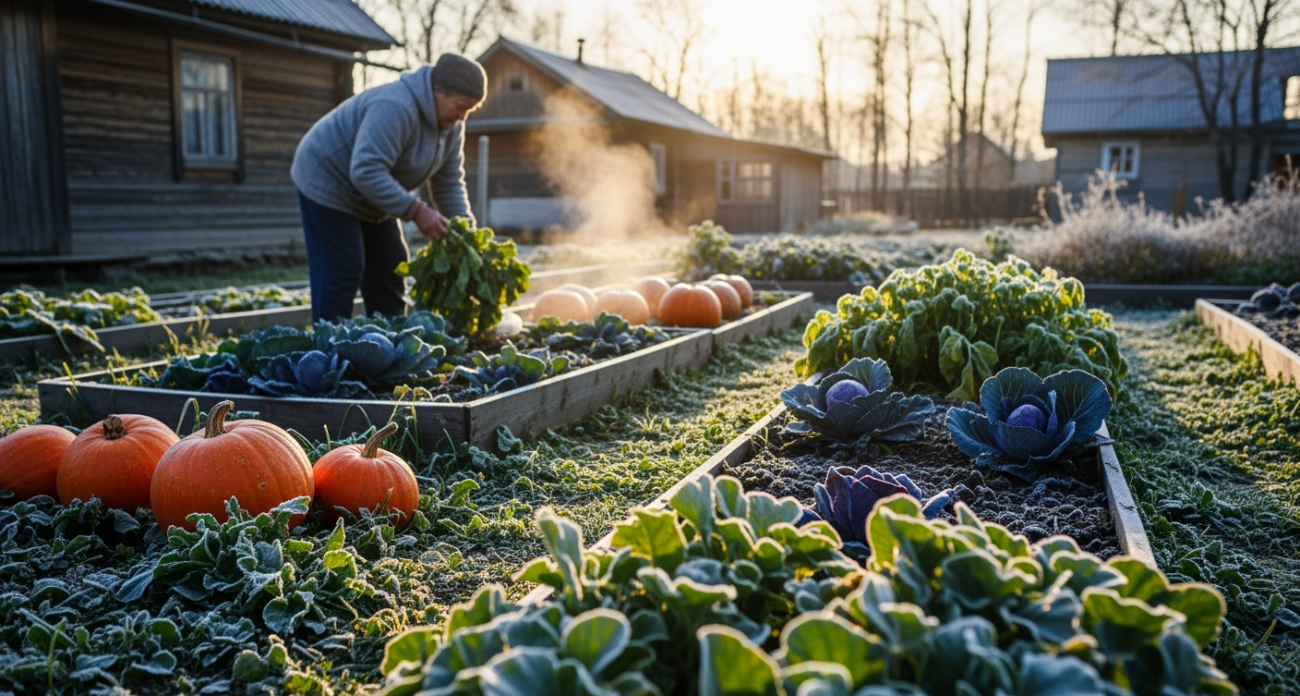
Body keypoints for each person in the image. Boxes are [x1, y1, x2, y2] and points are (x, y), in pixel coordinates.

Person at [291, 53, 487, 323]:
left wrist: (465, 232)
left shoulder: (451, 126)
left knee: (391, 264)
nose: (462, 116)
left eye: (470, 110)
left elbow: (448, 182)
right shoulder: (395, 106)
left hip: (372, 194)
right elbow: (366, 170)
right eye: (460, 106)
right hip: (327, 180)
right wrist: (416, 210)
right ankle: (330, 349)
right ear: (438, 90)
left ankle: (390, 345)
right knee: (344, 265)